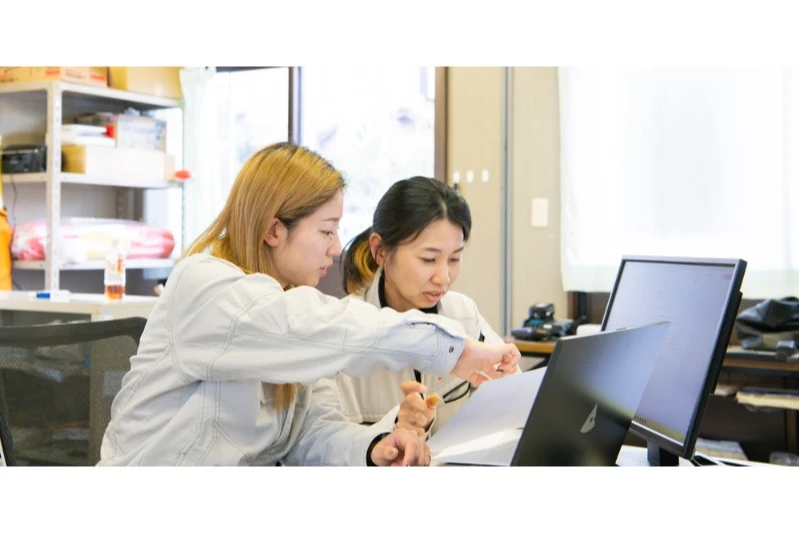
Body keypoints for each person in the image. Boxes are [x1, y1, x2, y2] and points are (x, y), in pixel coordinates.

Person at [98, 143, 520, 467]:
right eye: (326, 230)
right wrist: (451, 350)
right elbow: (309, 326)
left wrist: (375, 446)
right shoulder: (206, 287)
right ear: (274, 230)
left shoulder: (290, 311)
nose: (336, 248)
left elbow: (311, 434)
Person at [336, 176, 520, 438]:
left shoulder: (463, 314)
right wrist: (390, 431)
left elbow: (512, 408)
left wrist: (508, 382)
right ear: (381, 251)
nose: (443, 278)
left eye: (454, 258)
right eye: (428, 259)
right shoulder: (343, 331)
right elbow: (323, 444)